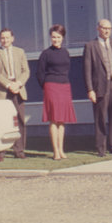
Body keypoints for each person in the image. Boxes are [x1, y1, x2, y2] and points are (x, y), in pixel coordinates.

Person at [83, 19, 112, 157]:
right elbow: (87, 69)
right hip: (100, 86)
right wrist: (90, 89)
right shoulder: (91, 46)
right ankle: (101, 147)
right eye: (104, 28)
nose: (107, 30)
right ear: (98, 28)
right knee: (100, 117)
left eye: (109, 28)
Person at [36, 24, 77, 160]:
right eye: (53, 37)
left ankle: (62, 150)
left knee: (62, 120)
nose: (56, 39)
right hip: (51, 87)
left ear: (62, 38)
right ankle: (55, 152)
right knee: (54, 119)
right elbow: (39, 73)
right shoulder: (46, 53)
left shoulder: (66, 52)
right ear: (50, 38)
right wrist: (46, 86)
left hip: (64, 86)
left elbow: (66, 70)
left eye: (58, 37)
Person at [0, 27, 30, 159]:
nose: (5, 40)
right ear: (0, 39)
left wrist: (17, 84)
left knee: (19, 120)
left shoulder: (20, 52)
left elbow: (26, 71)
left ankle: (19, 151)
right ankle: (0, 151)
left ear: (12, 38)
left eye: (7, 37)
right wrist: (8, 85)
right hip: (2, 90)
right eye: (2, 38)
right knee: (2, 120)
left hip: (18, 89)